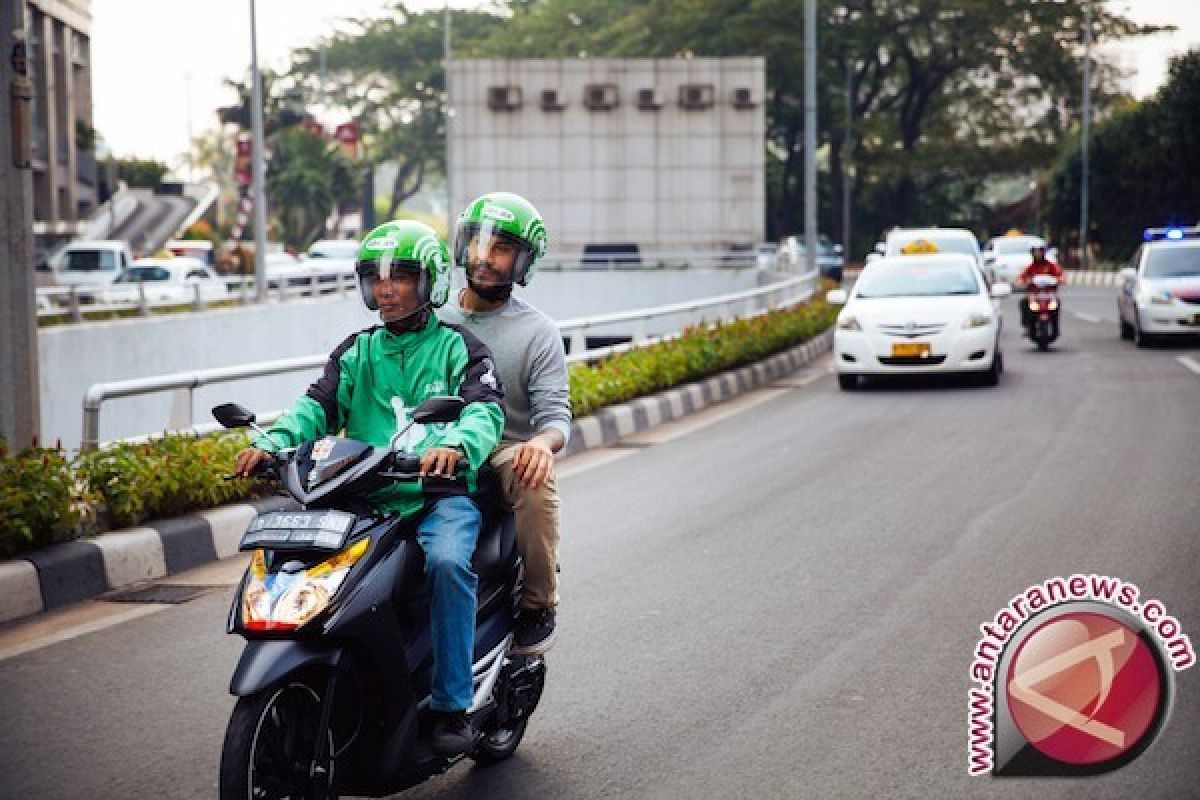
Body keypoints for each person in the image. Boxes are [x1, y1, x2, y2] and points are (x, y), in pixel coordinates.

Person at [234, 220, 504, 757]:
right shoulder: (356, 352)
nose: (386, 289)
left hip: (437, 498)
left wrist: (455, 448)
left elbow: (484, 412)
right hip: (363, 499)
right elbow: (315, 409)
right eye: (375, 278)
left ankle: (452, 705)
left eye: (401, 276)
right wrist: (273, 442)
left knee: (449, 563)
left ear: (430, 282)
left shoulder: (459, 348)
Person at [439, 192, 570, 656]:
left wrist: (541, 443)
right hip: (431, 445)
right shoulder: (432, 317)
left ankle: (539, 600)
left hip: (501, 449)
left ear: (522, 261)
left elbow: (556, 417)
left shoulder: (538, 333)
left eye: (500, 249)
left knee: (530, 471)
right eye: (478, 244)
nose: (485, 258)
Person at [1016, 244, 1065, 329]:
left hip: (1049, 293)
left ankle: (1055, 326)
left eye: (1040, 251)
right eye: (1035, 251)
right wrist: (1022, 281)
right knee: (1024, 302)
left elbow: (1061, 275)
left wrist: (1059, 280)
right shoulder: (1030, 267)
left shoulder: (1051, 265)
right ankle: (1027, 326)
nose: (1038, 253)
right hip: (1034, 293)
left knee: (1057, 303)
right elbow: (1020, 278)